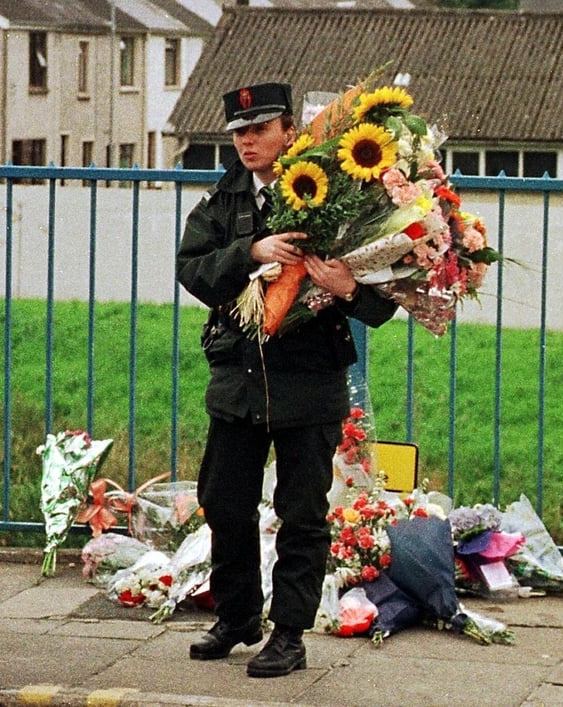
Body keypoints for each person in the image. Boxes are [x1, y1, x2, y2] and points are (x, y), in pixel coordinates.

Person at [176, 82, 396, 678]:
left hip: (308, 379)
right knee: (224, 503)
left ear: (290, 130)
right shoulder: (224, 201)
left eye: (259, 129)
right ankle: (238, 616)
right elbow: (192, 270)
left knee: (301, 513)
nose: (247, 141)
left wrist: (349, 288)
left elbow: (385, 294)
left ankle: (290, 634)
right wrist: (251, 250)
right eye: (239, 132)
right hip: (238, 379)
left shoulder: (341, 193)